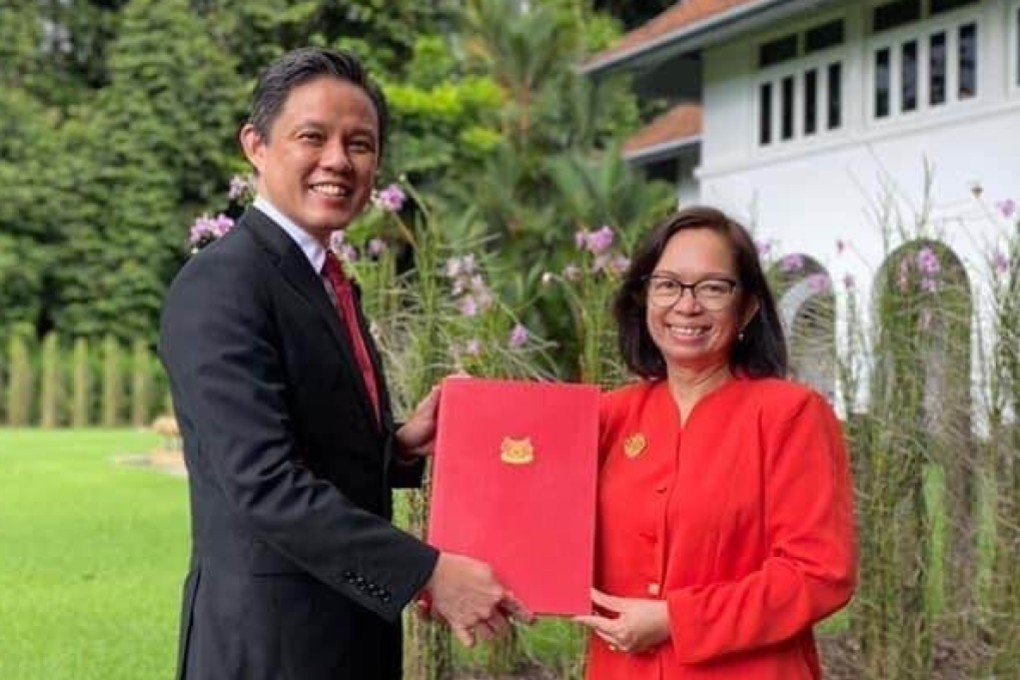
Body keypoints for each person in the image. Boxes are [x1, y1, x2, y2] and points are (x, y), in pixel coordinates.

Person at [159, 47, 524, 680]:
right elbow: (266, 485)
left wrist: (403, 446)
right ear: (257, 145)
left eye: (360, 144)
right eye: (312, 137)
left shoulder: (326, 278)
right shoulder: (223, 284)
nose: (338, 160)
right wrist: (427, 572)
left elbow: (317, 444)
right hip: (271, 646)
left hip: (348, 635)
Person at [574, 206, 857, 679]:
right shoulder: (607, 417)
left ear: (746, 306)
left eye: (712, 287)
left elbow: (818, 573)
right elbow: (527, 499)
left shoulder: (790, 415)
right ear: (643, 297)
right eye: (667, 284)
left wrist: (677, 619)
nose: (687, 305)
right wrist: (468, 415)